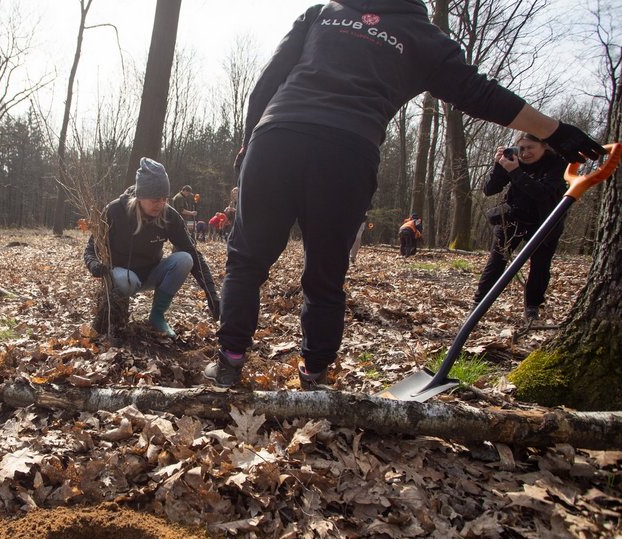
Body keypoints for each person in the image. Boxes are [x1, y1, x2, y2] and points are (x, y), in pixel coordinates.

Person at [204, 0, 605, 389]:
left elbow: (267, 82)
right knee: (326, 272)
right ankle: (314, 373)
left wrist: (248, 143)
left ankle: (230, 362)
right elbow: (478, 92)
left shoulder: (323, 13)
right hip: (347, 153)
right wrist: (554, 131)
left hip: (277, 140)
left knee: (247, 260)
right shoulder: (421, 35)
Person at [83, 158, 220, 337]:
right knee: (125, 280)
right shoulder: (115, 211)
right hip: (123, 275)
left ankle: (157, 316)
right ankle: (117, 318)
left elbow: (194, 253)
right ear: (141, 195)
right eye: (155, 199)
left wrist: (211, 294)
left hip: (152, 273)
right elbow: (91, 248)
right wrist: (94, 265)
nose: (161, 204)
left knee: (185, 259)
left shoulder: (169, 215)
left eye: (164, 199)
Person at [473, 133, 567, 320]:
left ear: (544, 146)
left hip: (545, 221)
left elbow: (542, 194)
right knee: (497, 261)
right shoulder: (513, 159)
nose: (524, 153)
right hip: (514, 218)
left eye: (530, 148)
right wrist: (499, 166)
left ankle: (532, 307)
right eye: (521, 148)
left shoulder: (557, 163)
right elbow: (490, 190)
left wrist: (515, 171)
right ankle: (479, 304)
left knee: (540, 266)